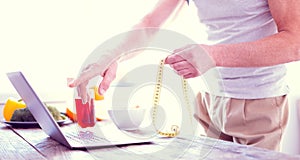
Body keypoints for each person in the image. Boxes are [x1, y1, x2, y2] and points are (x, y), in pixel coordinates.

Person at [68, 0, 300, 151]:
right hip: (209, 102)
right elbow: (150, 23)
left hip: (258, 104)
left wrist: (213, 55)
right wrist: (109, 55)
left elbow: (295, 42)